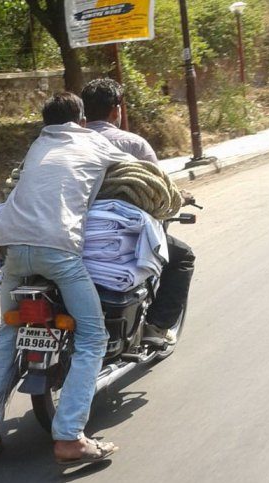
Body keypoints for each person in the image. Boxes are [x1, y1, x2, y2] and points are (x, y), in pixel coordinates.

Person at [0, 92, 138, 464]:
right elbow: (137, 172)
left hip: (9, 247)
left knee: (7, 335)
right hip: (57, 250)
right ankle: (69, 437)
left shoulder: (37, 146)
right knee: (92, 336)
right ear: (81, 121)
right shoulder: (94, 141)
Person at [81, 78, 196, 347]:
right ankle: (157, 327)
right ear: (115, 111)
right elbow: (158, 189)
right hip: (119, 232)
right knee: (182, 256)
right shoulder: (133, 144)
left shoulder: (69, 144)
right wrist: (180, 198)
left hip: (70, 229)